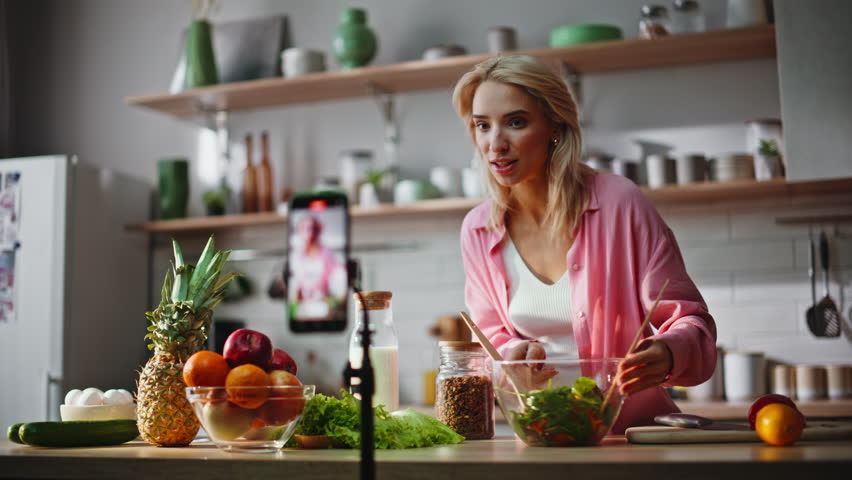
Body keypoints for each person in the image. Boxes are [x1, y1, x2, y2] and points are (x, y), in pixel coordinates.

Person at [453, 54, 716, 434]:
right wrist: (512, 356)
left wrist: (669, 350)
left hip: (629, 438)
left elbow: (692, 320)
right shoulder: (478, 229)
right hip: (542, 432)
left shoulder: (620, 204)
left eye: (516, 122)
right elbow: (489, 337)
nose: (495, 144)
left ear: (554, 127)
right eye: (482, 125)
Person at [288, 213, 346, 319]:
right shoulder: (295, 256)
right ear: (299, 231)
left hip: (323, 306)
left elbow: (336, 285)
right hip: (303, 308)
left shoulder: (328, 254)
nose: (309, 232)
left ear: (318, 231)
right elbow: (295, 286)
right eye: (305, 228)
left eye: (313, 228)